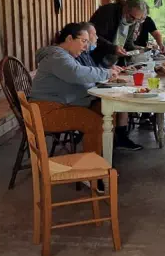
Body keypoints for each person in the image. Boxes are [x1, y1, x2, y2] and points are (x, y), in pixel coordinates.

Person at [31, 23, 142, 158]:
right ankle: (93, 171)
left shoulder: (66, 56)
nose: (86, 47)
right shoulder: (57, 56)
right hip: (47, 111)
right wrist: (106, 73)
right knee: (97, 124)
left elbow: (79, 77)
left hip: (63, 105)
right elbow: (76, 74)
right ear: (69, 39)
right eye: (83, 41)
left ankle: (105, 155)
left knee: (106, 109)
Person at [89, 0, 147, 66]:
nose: (133, 21)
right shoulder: (107, 11)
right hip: (95, 59)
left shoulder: (133, 20)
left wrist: (138, 50)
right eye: (132, 17)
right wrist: (113, 48)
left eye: (137, 20)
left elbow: (128, 43)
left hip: (113, 62)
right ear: (125, 8)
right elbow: (93, 37)